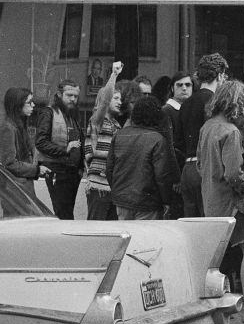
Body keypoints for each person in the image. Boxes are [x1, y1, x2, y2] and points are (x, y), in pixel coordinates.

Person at [198, 79, 244, 323]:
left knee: (217, 256)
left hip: (211, 198)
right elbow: (233, 173)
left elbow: (199, 164)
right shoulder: (231, 132)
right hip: (233, 203)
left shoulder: (207, 127)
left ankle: (212, 307)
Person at [106, 96, 179, 220]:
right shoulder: (158, 139)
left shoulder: (119, 135)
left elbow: (109, 169)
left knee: (127, 236)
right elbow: (162, 176)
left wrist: (117, 190)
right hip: (148, 202)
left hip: (122, 199)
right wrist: (166, 201)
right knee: (144, 238)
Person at [176, 52, 229, 217]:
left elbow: (179, 142)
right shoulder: (215, 102)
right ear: (220, 76)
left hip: (187, 169)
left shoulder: (185, 104)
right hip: (207, 169)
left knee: (191, 230)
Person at [34, 79, 84, 219]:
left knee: (67, 215)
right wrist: (65, 150)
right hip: (54, 171)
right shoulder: (48, 113)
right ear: (59, 94)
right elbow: (41, 142)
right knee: (61, 215)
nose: (73, 99)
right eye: (69, 95)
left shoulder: (72, 116)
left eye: (75, 96)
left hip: (71, 174)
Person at [83, 61, 124, 221]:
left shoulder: (116, 124)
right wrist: (114, 74)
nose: (119, 102)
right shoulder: (97, 120)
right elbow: (105, 101)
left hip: (112, 186)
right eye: (116, 98)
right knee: (96, 228)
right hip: (99, 185)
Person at [0, 87, 51, 196]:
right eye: (29, 102)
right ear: (18, 105)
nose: (33, 105)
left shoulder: (19, 126)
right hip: (14, 191)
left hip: (21, 188)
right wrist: (37, 170)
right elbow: (9, 164)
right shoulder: (8, 129)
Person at [162, 71, 194, 164]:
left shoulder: (192, 110)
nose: (184, 88)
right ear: (172, 88)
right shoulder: (166, 111)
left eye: (188, 85)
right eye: (179, 85)